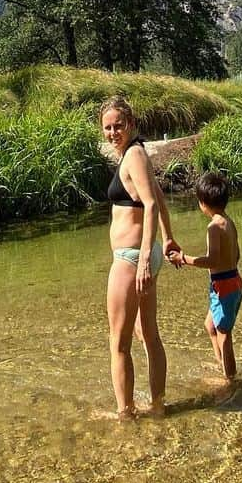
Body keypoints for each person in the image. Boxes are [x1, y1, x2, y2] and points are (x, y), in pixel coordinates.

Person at [100, 95, 181, 419]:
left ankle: (125, 413)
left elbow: (148, 204)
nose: (112, 132)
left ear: (131, 124)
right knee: (147, 334)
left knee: (118, 343)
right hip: (143, 255)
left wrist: (146, 258)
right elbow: (158, 198)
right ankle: (158, 406)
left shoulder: (133, 155)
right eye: (107, 127)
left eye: (118, 125)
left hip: (132, 258)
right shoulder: (137, 154)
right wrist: (169, 237)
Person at [172, 171, 242, 381]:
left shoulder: (213, 227)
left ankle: (230, 379)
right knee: (210, 325)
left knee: (224, 334)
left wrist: (184, 258)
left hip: (224, 286)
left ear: (203, 203)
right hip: (234, 281)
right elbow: (237, 254)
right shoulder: (229, 222)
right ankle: (220, 363)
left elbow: (212, 260)